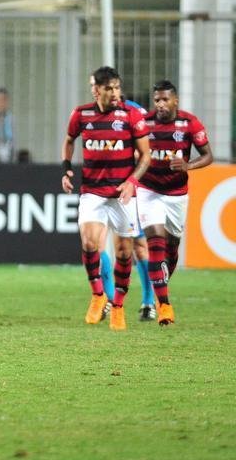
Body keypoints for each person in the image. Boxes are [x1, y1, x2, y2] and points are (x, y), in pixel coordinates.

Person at [61, 65, 150, 331]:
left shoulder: (131, 114)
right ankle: (99, 295)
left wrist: (132, 182)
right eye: (109, 88)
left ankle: (119, 306)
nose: (115, 93)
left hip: (123, 194)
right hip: (92, 192)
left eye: (117, 88)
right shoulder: (81, 114)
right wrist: (65, 168)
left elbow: (145, 155)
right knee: (90, 244)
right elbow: (69, 139)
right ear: (96, 89)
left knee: (125, 252)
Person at [136, 80, 213, 326]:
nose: (160, 104)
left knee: (170, 250)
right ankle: (164, 306)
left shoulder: (190, 124)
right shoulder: (144, 124)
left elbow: (208, 155)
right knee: (155, 242)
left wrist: (187, 166)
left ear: (175, 100)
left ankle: (162, 286)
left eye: (165, 99)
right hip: (148, 191)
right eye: (156, 99)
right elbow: (131, 151)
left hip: (176, 194)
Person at [99, 89, 155, 319]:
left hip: (132, 188)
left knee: (138, 245)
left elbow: (144, 152)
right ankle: (110, 299)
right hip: (103, 186)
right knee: (97, 242)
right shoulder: (94, 115)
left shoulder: (134, 112)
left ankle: (148, 302)